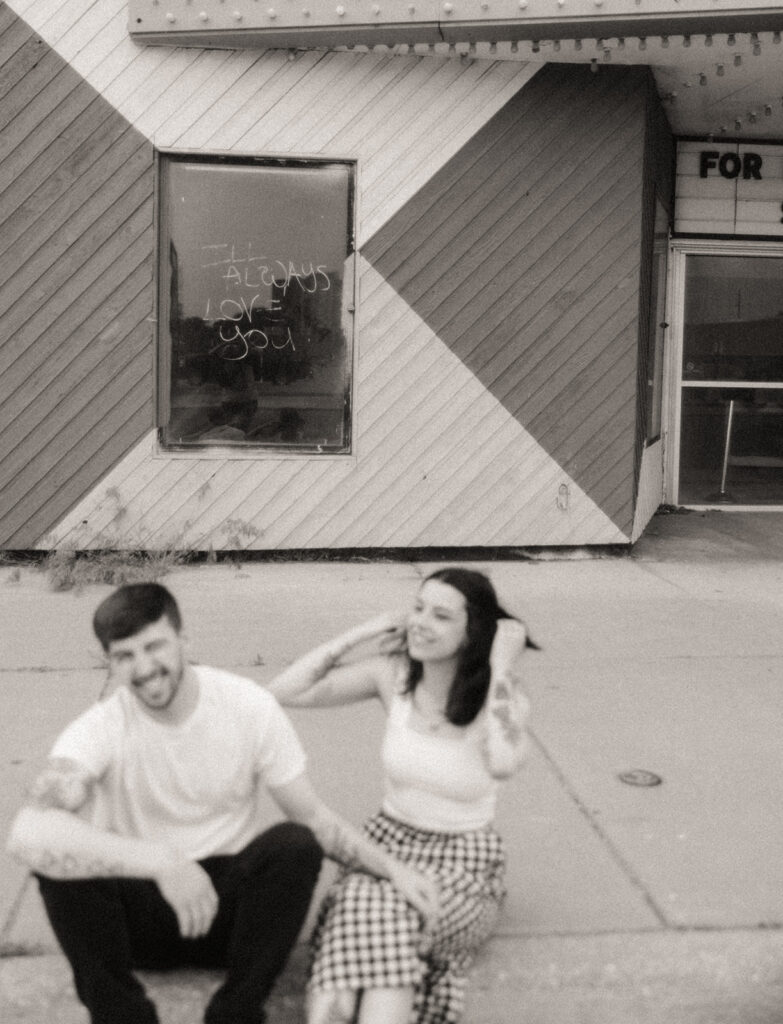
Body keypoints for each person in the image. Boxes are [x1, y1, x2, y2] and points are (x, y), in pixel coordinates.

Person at [5, 583, 438, 1024]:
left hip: (225, 914)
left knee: (295, 843)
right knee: (62, 859)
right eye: (125, 656)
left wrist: (393, 869)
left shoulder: (248, 706)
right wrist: (161, 861)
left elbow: (312, 816)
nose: (144, 667)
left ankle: (237, 1010)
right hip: (142, 918)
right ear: (111, 664)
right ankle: (121, 1015)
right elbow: (28, 832)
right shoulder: (100, 727)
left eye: (155, 646)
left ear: (184, 641)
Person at [267, 567, 536, 1024]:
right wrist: (366, 630)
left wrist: (502, 666)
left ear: (474, 632)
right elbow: (285, 690)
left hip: (464, 864)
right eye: (418, 608)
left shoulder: (501, 696)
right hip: (385, 846)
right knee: (376, 906)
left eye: (441, 615)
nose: (421, 622)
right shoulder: (393, 679)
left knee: (367, 906)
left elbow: (505, 761)